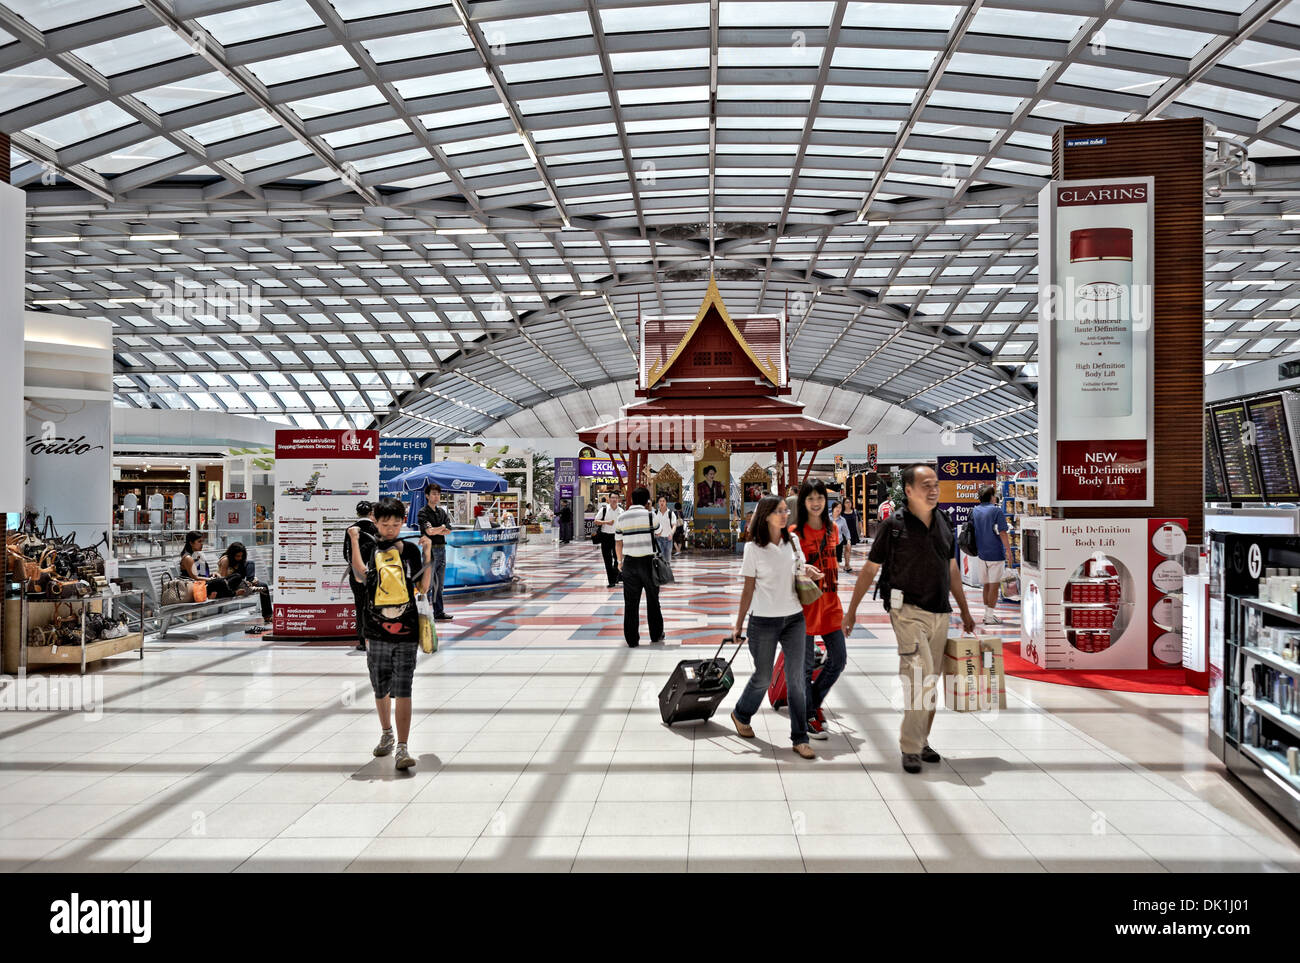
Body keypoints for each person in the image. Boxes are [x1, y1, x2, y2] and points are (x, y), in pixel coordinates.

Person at [843, 464, 976, 775]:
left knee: (932, 681)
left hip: (940, 611)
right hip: (906, 612)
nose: (933, 489)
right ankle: (910, 746)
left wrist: (965, 610)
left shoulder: (943, 521)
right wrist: (851, 611)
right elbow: (869, 570)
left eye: (936, 484)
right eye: (926, 484)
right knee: (920, 674)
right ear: (909, 490)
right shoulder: (893, 526)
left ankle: (922, 739)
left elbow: (952, 569)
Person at [730, 495, 819, 760]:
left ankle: (800, 738)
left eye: (785, 511)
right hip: (763, 621)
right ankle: (741, 713)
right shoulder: (753, 549)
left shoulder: (793, 541)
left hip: (794, 618)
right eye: (779, 511)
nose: (785, 515)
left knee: (796, 680)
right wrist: (738, 625)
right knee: (764, 675)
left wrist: (809, 571)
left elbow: (798, 571)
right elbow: (748, 589)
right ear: (766, 515)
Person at [348, 497, 430, 771]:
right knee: (380, 685)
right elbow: (360, 576)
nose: (392, 528)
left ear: (403, 521)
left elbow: (423, 587)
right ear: (376, 522)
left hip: (406, 628)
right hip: (375, 628)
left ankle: (403, 747)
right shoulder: (371, 547)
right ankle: (386, 734)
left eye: (396, 523)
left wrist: (427, 552)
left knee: (404, 687)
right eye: (386, 524)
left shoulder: (409, 550)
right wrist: (356, 541)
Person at [792, 481, 846, 741]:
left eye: (820, 498)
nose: (816, 502)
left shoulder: (833, 528)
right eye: (810, 498)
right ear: (803, 502)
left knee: (839, 659)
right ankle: (808, 716)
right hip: (805, 607)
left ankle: (810, 702)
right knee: (803, 667)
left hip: (831, 604)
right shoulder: (794, 534)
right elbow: (786, 570)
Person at [614, 486, 664, 647]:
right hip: (649, 563)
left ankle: (632, 639)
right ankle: (656, 635)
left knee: (630, 603)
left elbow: (618, 542)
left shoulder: (622, 517)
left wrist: (620, 562)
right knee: (653, 600)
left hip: (629, 563)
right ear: (647, 501)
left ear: (631, 500)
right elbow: (659, 532)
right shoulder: (651, 515)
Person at [970, 484, 1012, 625]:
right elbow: (1003, 532)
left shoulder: (975, 510)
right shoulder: (996, 511)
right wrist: (1009, 550)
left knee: (986, 585)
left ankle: (987, 614)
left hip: (982, 554)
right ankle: (989, 616)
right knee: (994, 586)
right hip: (995, 553)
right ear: (991, 496)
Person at [344, 500, 379, 650]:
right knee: (374, 605)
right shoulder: (376, 528)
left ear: (357, 513)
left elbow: (345, 554)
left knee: (359, 606)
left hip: (355, 574)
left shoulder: (351, 529)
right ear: (371, 513)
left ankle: (362, 640)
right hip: (374, 573)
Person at [417, 483, 453, 623]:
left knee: (440, 584)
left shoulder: (442, 512)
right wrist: (442, 527)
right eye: (433, 494)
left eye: (438, 494)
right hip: (429, 551)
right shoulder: (423, 512)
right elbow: (429, 532)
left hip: (442, 549)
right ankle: (423, 612)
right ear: (427, 496)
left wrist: (441, 528)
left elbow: (449, 531)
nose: (436, 496)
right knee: (427, 584)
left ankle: (439, 611)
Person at [218, 541, 273, 632]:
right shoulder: (226, 560)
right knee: (239, 575)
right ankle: (249, 584)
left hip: (242, 582)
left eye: (241, 556)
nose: (239, 558)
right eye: (237, 556)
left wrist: (252, 579)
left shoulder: (240, 561)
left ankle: (267, 616)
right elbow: (223, 579)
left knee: (263, 585)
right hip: (231, 584)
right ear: (232, 554)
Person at [594, 491, 622, 587]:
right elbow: (596, 521)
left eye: (616, 498)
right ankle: (611, 581)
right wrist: (606, 522)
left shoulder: (621, 511)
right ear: (609, 499)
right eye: (612, 498)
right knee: (607, 559)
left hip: (617, 538)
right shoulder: (604, 509)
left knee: (617, 558)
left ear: (618, 499)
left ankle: (615, 576)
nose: (614, 500)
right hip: (605, 537)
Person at [652, 494, 677, 566]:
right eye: (660, 501)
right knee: (660, 558)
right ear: (658, 503)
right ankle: (661, 575)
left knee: (668, 559)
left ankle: (667, 574)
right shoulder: (655, 513)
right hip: (658, 539)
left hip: (668, 539)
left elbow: (674, 525)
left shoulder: (670, 513)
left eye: (663, 501)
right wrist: (655, 534)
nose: (662, 503)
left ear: (666, 502)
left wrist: (671, 533)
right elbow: (653, 526)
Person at [832, 500, 852, 572]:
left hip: (838, 542)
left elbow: (846, 531)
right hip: (828, 543)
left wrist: (848, 540)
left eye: (840, 508)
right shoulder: (827, 518)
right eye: (837, 507)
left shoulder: (842, 520)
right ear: (833, 508)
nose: (838, 509)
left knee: (837, 561)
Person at [842, 495, 861, 564]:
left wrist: (860, 532)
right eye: (846, 502)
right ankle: (847, 564)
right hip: (843, 533)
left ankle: (847, 563)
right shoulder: (841, 513)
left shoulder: (855, 512)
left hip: (852, 533)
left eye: (849, 502)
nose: (848, 504)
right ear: (843, 504)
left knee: (848, 549)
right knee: (847, 548)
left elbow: (859, 521)